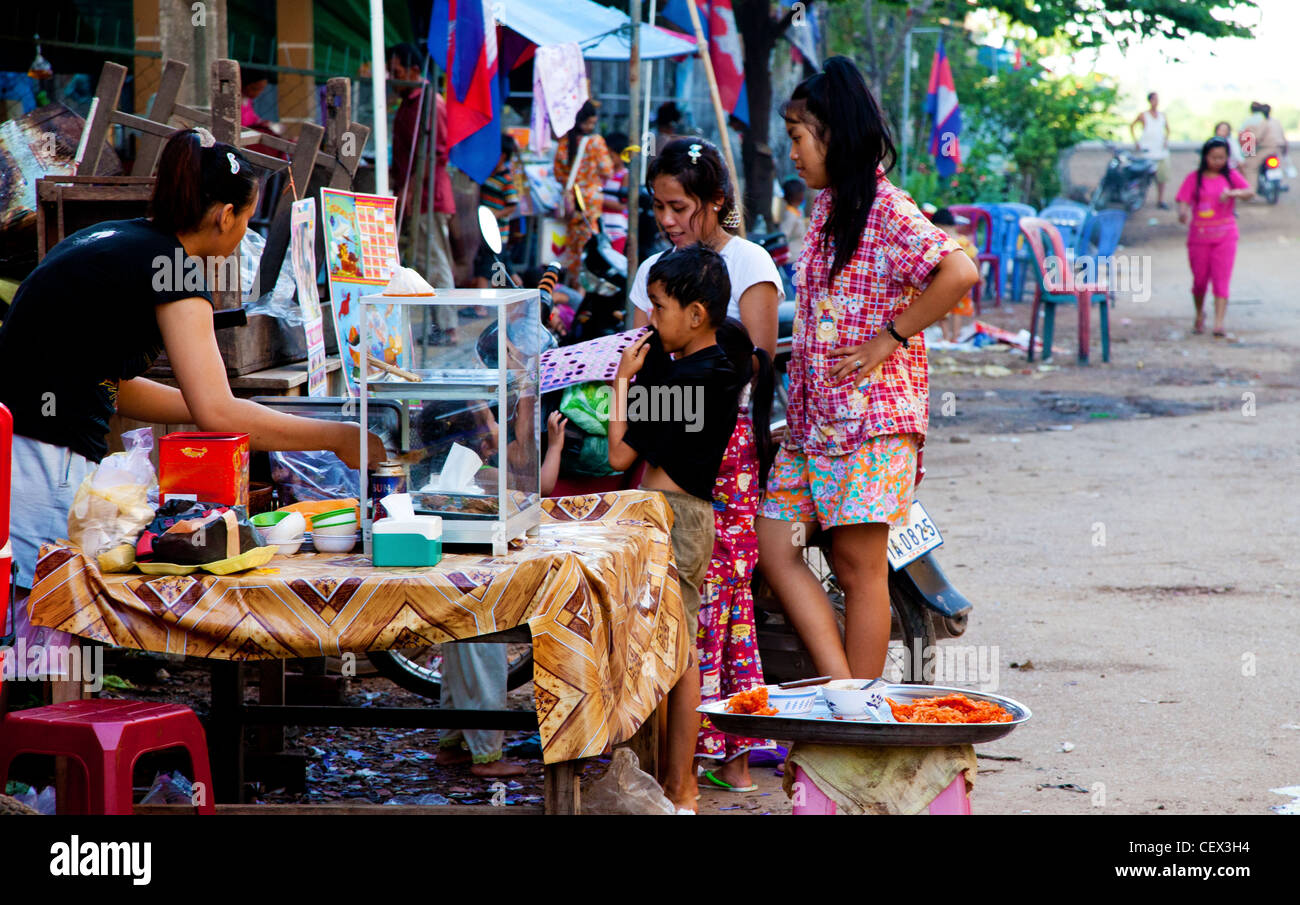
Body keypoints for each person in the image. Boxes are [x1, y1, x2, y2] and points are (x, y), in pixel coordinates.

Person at [0, 128, 385, 594]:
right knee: (44, 611)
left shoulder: (119, 240)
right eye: (247, 218)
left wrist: (205, 403)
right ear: (225, 216)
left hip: (21, 443)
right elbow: (217, 413)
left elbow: (110, 383)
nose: (245, 231)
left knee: (35, 610)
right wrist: (339, 438)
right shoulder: (175, 267)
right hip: (41, 455)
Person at [757, 57, 978, 680]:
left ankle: (857, 712)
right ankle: (843, 690)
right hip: (813, 427)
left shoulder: (886, 208)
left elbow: (959, 271)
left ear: (833, 133)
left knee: (859, 570)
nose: (793, 152)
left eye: (799, 137)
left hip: (871, 425)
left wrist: (889, 338)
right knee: (775, 549)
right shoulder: (829, 207)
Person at [630, 137, 782, 791]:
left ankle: (727, 763)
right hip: (665, 451)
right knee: (672, 618)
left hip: (724, 454)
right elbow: (642, 353)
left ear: (715, 201)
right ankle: (668, 769)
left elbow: (753, 366)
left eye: (678, 205)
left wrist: (667, 397)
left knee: (721, 609)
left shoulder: (749, 262)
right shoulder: (656, 269)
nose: (666, 219)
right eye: (657, 206)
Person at [608, 243, 771, 813]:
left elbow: (616, 454)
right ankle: (674, 782)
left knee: (676, 662)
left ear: (695, 315)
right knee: (679, 657)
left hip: (671, 520)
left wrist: (623, 383)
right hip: (688, 518)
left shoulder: (685, 386)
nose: (651, 319)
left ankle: (682, 787)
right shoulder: (715, 368)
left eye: (658, 307)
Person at [388, 43, 458, 343]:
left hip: (427, 197)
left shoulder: (430, 103)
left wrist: (410, 190)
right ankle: (439, 326)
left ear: (414, 71)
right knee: (423, 259)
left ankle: (449, 327)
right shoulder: (410, 102)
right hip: (414, 194)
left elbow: (435, 154)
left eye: (397, 72)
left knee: (434, 260)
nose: (392, 78)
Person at [1175, 137, 1253, 338]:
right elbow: (1183, 199)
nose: (1218, 161)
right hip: (1199, 237)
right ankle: (1200, 314)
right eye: (1214, 157)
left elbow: (1249, 191)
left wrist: (1233, 193)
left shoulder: (1231, 177)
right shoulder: (1194, 178)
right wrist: (1183, 213)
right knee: (1200, 280)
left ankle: (1219, 323)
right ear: (1205, 157)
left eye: (1222, 158)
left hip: (1225, 236)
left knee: (1221, 280)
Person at [552, 101, 613, 283]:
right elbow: (607, 170)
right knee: (590, 245)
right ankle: (584, 287)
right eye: (590, 123)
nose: (592, 126)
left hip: (571, 201)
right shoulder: (596, 142)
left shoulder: (564, 142)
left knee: (573, 247)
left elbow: (558, 174)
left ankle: (573, 285)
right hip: (590, 203)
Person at [472, 135, 521, 289]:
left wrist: (492, 216)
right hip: (487, 234)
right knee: (504, 269)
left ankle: (481, 308)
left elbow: (512, 205)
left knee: (485, 271)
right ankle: (520, 291)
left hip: (497, 235)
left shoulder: (506, 179)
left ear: (503, 156)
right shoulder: (489, 174)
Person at [931, 208, 978, 343]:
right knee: (958, 311)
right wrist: (979, 275)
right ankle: (955, 336)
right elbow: (975, 258)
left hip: (944, 282)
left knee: (942, 311)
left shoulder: (940, 241)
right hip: (963, 282)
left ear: (937, 226)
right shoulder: (964, 241)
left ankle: (946, 336)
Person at [1130, 91, 1171, 210]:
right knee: (1143, 177)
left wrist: (1166, 140)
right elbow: (1132, 126)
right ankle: (1139, 199)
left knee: (1161, 177)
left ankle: (1160, 200)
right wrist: (1136, 141)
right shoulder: (1143, 115)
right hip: (1147, 151)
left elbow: (1168, 129)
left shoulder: (1162, 115)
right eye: (1154, 99)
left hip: (1160, 151)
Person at [1240, 102, 1289, 191]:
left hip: (1267, 149)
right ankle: (1280, 183)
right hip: (1279, 148)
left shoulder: (1263, 122)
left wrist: (1250, 149)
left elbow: (1257, 138)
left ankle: (1251, 191)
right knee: (1281, 166)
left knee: (1251, 167)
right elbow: (1284, 138)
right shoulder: (1276, 122)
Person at [601, 131, 630, 254]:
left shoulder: (625, 176)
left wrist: (597, 199)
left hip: (617, 226)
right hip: (602, 223)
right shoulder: (603, 174)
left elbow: (623, 206)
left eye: (611, 156)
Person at [778, 177, 808, 261]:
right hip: (793, 257)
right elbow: (783, 236)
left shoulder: (797, 211)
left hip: (798, 255)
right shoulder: (790, 215)